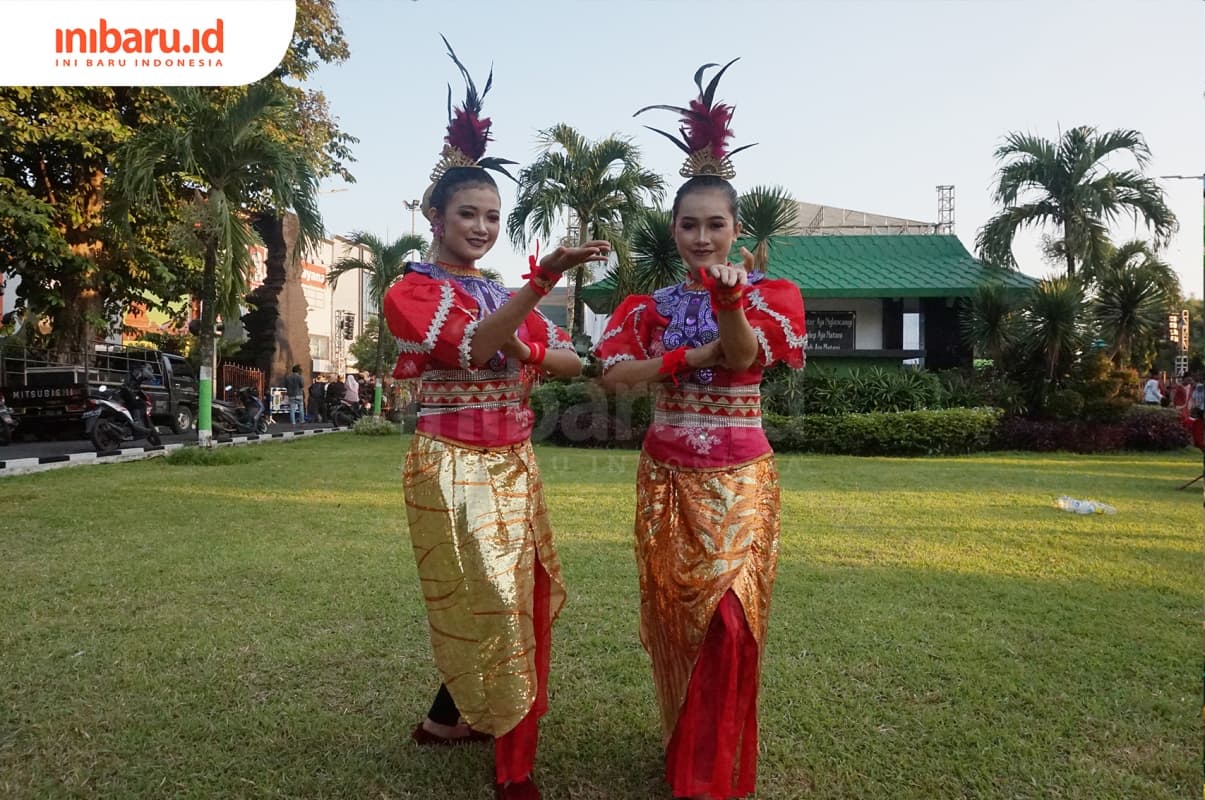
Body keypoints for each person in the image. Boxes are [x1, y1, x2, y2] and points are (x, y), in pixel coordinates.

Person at [381, 37, 609, 800]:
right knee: (493, 598)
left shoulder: (500, 291)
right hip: (452, 462)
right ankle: (510, 761)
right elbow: (477, 351)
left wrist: (534, 328)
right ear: (433, 214)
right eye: (468, 214)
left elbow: (567, 358)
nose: (481, 227)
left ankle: (452, 719)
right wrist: (534, 295)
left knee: (519, 594)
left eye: (492, 216)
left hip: (513, 461)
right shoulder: (408, 292)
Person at [595, 59, 806, 800]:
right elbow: (612, 378)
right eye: (688, 224)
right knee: (673, 618)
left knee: (728, 619)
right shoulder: (642, 306)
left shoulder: (770, 294)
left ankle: (709, 776)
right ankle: (684, 745)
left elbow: (749, 359)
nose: (700, 236)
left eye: (715, 224)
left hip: (738, 480)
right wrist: (690, 355)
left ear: (735, 229)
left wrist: (727, 312)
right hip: (665, 478)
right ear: (673, 230)